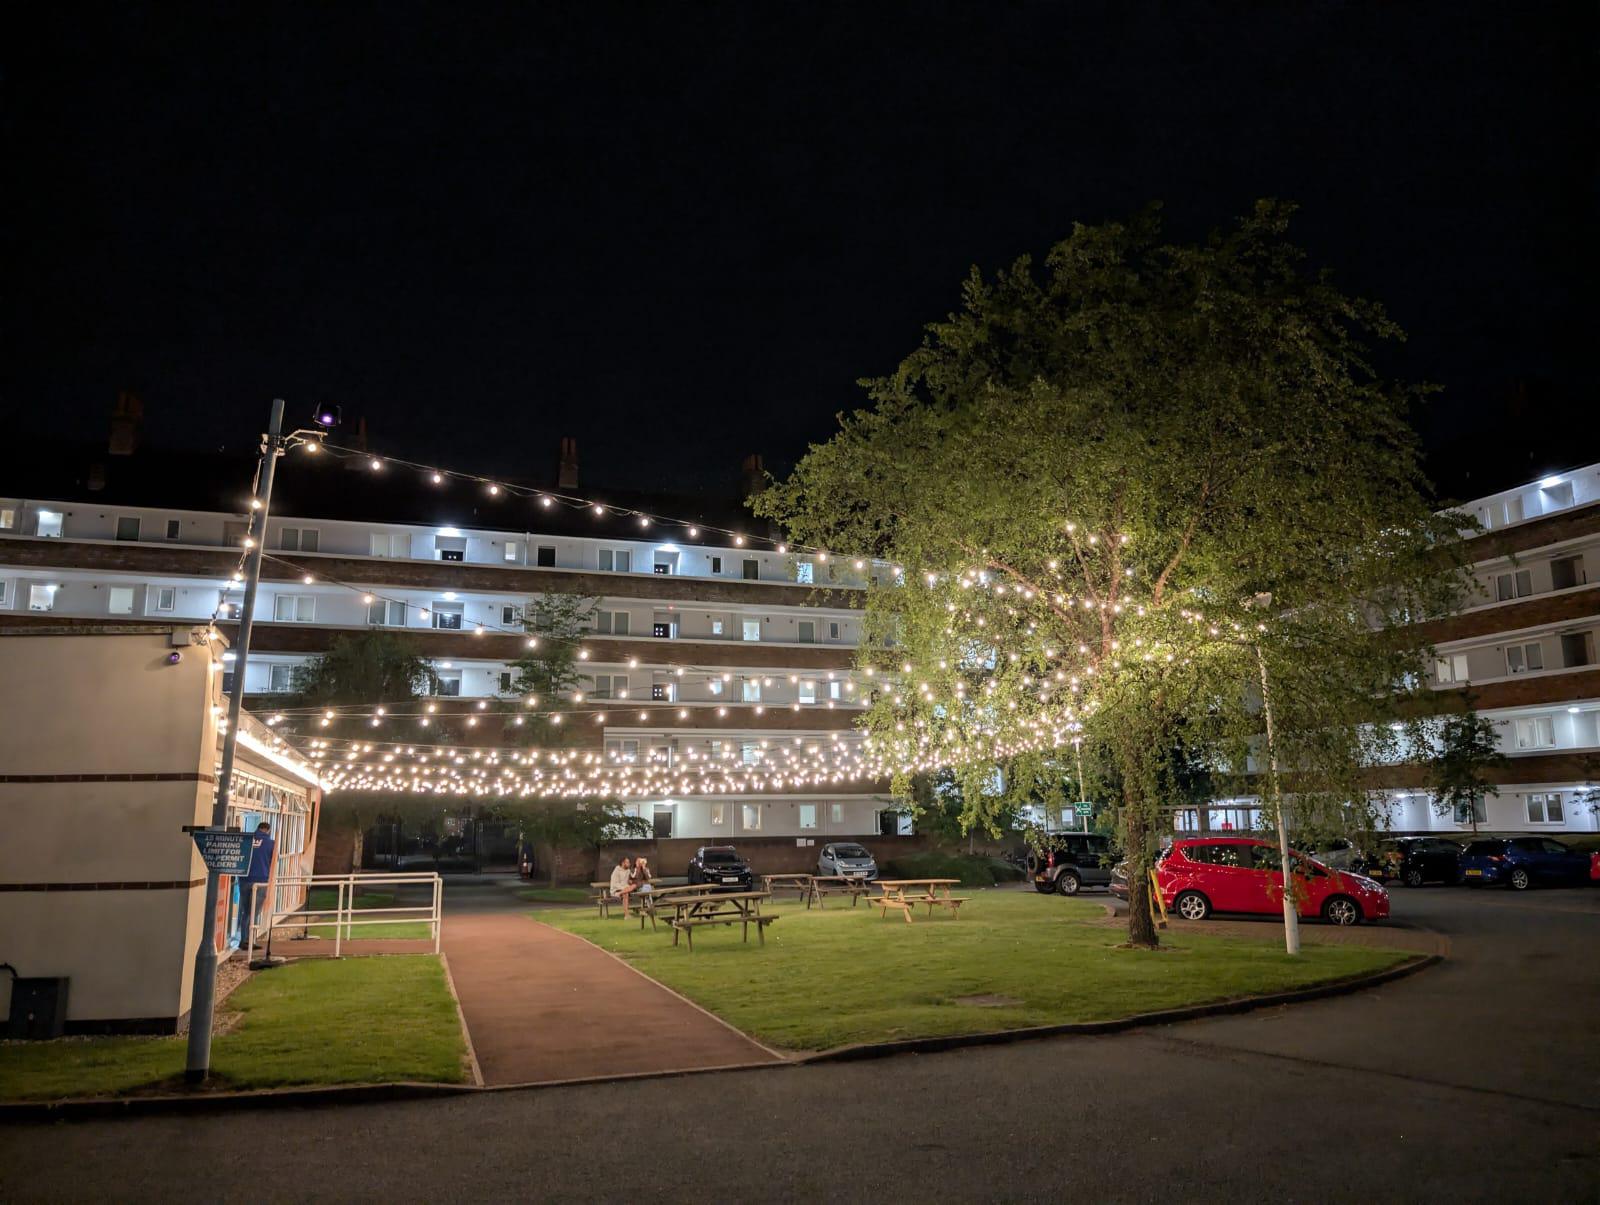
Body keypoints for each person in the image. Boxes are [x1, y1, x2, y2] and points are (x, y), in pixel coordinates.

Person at [242, 821, 276, 947]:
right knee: (254, 912)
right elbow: (274, 861)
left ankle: (243, 939)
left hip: (244, 879)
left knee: (246, 911)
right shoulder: (271, 843)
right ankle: (250, 941)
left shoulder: (246, 841)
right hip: (261, 880)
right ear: (268, 830)